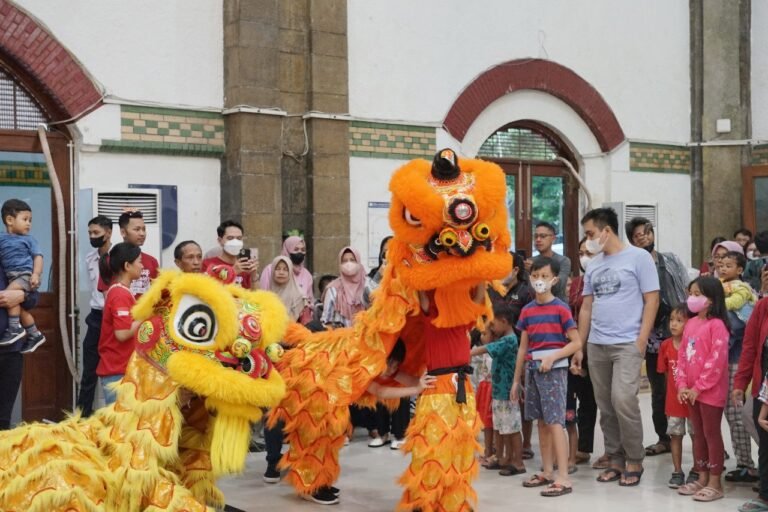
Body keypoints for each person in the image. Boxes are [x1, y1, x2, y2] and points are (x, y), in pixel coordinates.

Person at [575, 207, 660, 487]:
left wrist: (641, 339)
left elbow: (652, 300)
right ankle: (614, 458)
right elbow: (586, 307)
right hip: (597, 344)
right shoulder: (595, 263)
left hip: (627, 343)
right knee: (606, 405)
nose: (587, 240)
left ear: (606, 231)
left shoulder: (638, 257)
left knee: (624, 399)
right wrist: (580, 344)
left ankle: (634, 458)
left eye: (590, 233)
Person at [512, 257, 581, 497]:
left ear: (554, 280)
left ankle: (564, 476)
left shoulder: (561, 307)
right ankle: (548, 471)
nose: (539, 281)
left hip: (554, 371)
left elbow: (576, 342)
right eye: (535, 276)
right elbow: (523, 347)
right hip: (532, 371)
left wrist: (553, 357)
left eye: (544, 276)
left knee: (554, 423)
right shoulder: (527, 310)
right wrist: (516, 379)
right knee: (541, 422)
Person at [625, 217, 688, 458]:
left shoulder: (669, 259)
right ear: (632, 240)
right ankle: (664, 438)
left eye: (647, 232)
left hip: (679, 333)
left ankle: (696, 436)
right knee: (659, 390)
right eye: (638, 235)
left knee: (687, 385)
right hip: (651, 338)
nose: (644, 237)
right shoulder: (632, 264)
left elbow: (685, 287)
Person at [675, 277, 730, 502]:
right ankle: (702, 475)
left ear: (711, 298)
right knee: (697, 434)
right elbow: (682, 357)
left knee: (711, 433)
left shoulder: (717, 326)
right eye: (691, 293)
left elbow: (716, 361)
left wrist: (698, 387)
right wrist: (682, 385)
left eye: (698, 294)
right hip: (691, 392)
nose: (692, 298)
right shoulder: (691, 323)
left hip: (709, 392)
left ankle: (716, 481)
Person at [718, 250, 759, 482]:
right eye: (720, 264)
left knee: (737, 413)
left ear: (740, 270)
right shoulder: (720, 286)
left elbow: (734, 314)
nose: (723, 268)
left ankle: (747, 464)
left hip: (736, 359)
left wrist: (716, 301)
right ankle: (745, 462)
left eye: (728, 265)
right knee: (731, 413)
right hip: (723, 360)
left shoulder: (741, 289)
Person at [471, 304, 524, 477]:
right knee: (502, 427)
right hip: (499, 392)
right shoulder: (505, 338)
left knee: (512, 428)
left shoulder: (508, 340)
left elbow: (486, 348)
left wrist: (466, 354)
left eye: (493, 324)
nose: (491, 328)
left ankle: (517, 461)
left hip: (507, 392)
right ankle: (504, 458)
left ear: (504, 321)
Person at [76, 215, 113, 417]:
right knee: (89, 369)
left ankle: (114, 413)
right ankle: (82, 416)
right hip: (97, 317)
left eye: (96, 233)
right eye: (90, 233)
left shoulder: (120, 256)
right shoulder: (90, 258)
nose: (92, 236)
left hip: (116, 318)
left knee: (114, 369)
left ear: (108, 233)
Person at [97, 242, 142, 405]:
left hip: (123, 369)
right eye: (139, 261)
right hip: (117, 371)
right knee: (119, 426)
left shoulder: (122, 291)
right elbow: (122, 333)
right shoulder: (119, 294)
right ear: (127, 265)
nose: (142, 266)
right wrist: (145, 317)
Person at [568, 237, 599, 467]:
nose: (583, 257)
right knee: (578, 397)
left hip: (597, 344)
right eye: (580, 253)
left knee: (595, 400)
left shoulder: (603, 280)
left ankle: (591, 448)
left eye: (587, 252)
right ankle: (578, 446)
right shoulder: (576, 282)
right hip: (575, 344)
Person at [657, 305, 694, 488]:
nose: (674, 324)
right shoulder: (665, 346)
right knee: (675, 436)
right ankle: (677, 471)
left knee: (696, 436)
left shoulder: (693, 345)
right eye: (672, 319)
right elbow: (666, 375)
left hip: (694, 401)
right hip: (673, 402)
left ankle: (697, 469)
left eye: (680, 320)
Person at [0, 199, 45, 352]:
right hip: (14, 276)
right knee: (17, 306)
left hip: (23, 275)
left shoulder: (29, 240)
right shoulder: (2, 239)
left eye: (29, 220)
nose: (29, 224)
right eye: (25, 220)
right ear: (9, 220)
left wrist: (36, 274)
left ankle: (14, 329)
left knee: (9, 295)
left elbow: (38, 257)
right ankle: (34, 333)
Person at [0, 265, 38, 430]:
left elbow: (35, 297)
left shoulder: (10, 255)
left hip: (11, 352)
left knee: (3, 418)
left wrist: (21, 295)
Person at [367, 339, 422, 450]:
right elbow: (380, 391)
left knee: (399, 398)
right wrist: (417, 389)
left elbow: (412, 381)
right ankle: (382, 433)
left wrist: (422, 382)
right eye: (390, 364)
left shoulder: (390, 370)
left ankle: (400, 435)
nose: (391, 370)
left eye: (395, 366)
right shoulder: (365, 368)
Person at [321, 247, 371, 328]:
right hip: (341, 338)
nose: (349, 264)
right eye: (344, 261)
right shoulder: (333, 289)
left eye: (352, 260)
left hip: (366, 337)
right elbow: (326, 321)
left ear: (358, 262)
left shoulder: (368, 285)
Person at [260, 235, 314, 311]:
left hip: (298, 319)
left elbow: (310, 301)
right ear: (287, 250)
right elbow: (262, 295)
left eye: (302, 250)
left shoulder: (306, 275)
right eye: (296, 249)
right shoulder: (271, 269)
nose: (300, 252)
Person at [203, 221, 259, 290]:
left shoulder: (244, 266)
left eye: (239, 238)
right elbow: (208, 291)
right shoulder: (207, 264)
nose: (235, 242)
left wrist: (253, 276)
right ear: (220, 241)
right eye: (230, 238)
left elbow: (255, 295)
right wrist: (232, 272)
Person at [524, 222, 571, 301]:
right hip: (535, 306)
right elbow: (529, 291)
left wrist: (535, 270)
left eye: (543, 236)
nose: (538, 240)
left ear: (553, 239)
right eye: (536, 236)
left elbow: (558, 287)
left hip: (558, 307)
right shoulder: (530, 262)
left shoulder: (563, 261)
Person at [117, 210, 159, 297]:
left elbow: (157, 294)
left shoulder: (152, 261)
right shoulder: (111, 260)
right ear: (123, 232)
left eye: (144, 229)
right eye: (137, 229)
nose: (142, 234)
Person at [473, 327, 495, 466]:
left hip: (492, 388)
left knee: (491, 422)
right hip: (483, 387)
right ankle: (487, 451)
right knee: (485, 422)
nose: (481, 336)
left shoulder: (493, 350)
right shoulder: (483, 350)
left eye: (485, 333)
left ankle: (493, 451)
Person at [266, 255, 305, 322]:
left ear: (290, 272)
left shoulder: (299, 295)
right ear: (272, 272)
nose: (281, 273)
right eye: (278, 269)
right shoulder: (267, 295)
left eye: (285, 270)